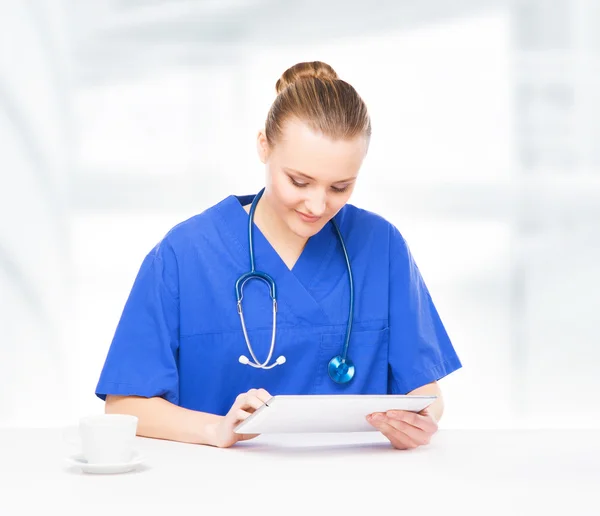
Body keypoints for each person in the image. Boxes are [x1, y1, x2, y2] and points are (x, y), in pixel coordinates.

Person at [95, 61, 462, 450]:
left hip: (354, 488)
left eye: (340, 186)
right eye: (299, 181)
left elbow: (426, 392)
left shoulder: (381, 246)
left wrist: (418, 423)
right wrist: (216, 429)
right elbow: (124, 405)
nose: (317, 205)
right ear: (263, 146)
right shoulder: (185, 254)